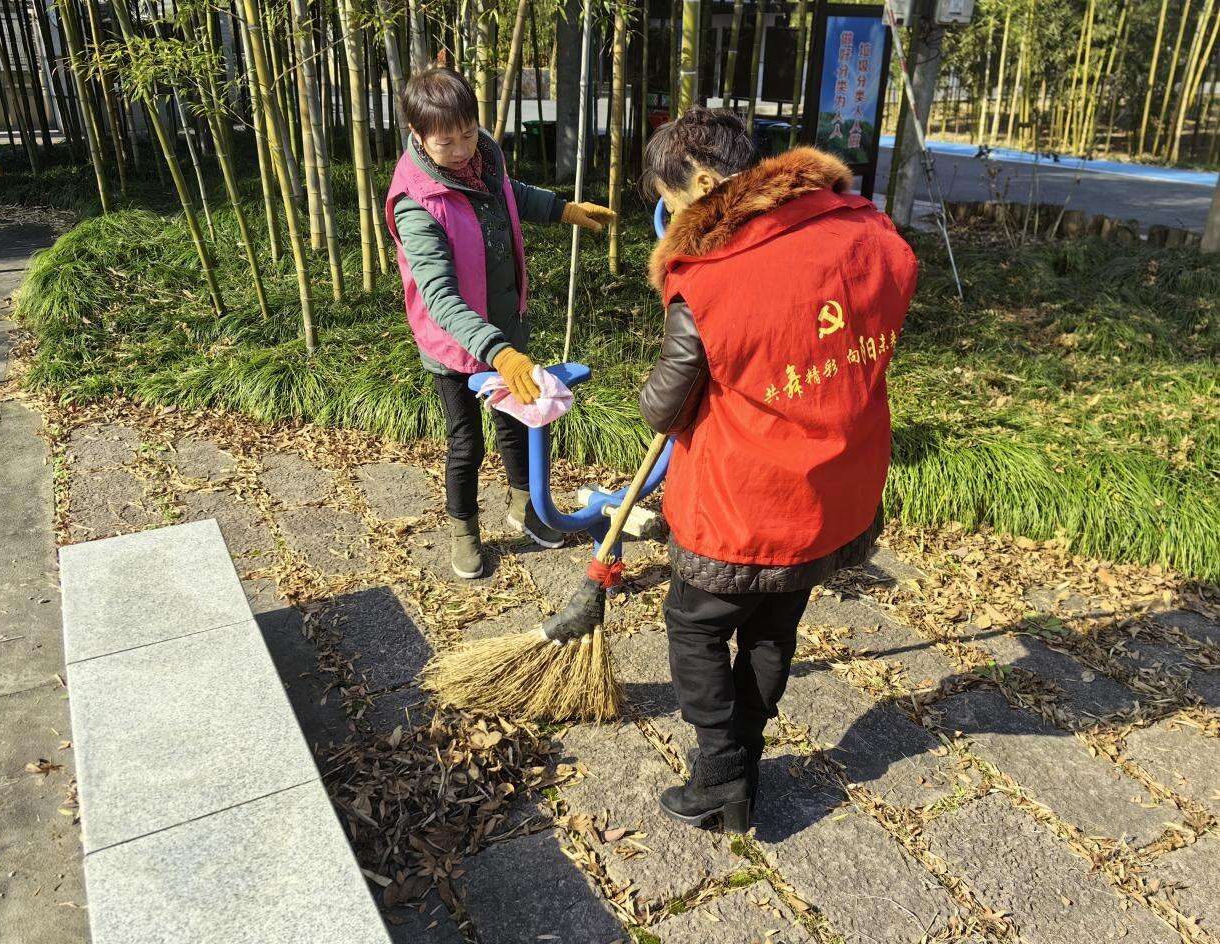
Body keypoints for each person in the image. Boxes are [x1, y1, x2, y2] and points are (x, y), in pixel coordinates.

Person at [637, 108, 918, 831]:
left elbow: (665, 407)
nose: (670, 216)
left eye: (671, 201)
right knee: (772, 623)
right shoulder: (863, 232)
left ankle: (721, 779)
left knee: (694, 626)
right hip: (829, 486)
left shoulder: (713, 277)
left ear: (701, 181)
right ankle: (746, 761)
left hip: (742, 498)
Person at [385, 67, 615, 579]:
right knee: (466, 442)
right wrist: (500, 353)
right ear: (418, 136)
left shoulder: (484, 159)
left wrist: (563, 210)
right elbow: (440, 298)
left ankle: (526, 507)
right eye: (448, 142)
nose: (464, 149)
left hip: (505, 322)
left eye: (469, 133)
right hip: (456, 345)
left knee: (518, 422)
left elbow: (510, 195)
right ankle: (464, 528)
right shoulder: (416, 205)